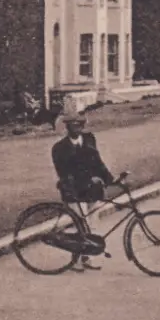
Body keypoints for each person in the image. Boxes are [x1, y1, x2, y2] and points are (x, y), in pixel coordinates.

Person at [52, 115, 122, 270]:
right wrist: (86, 180)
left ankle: (87, 258)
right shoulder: (59, 148)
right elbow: (63, 173)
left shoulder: (89, 140)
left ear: (83, 127)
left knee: (93, 223)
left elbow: (97, 162)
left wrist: (110, 179)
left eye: (79, 126)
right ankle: (75, 260)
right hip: (73, 190)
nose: (76, 129)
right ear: (67, 128)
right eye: (72, 126)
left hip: (91, 190)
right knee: (81, 224)